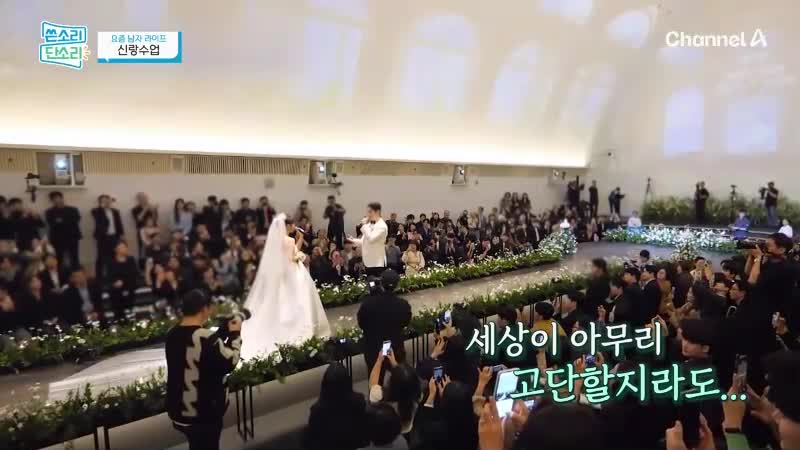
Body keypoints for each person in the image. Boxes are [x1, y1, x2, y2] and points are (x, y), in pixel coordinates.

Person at [240, 214, 331, 360]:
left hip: (280, 275)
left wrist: (299, 241)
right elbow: (291, 257)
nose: (294, 227)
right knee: (300, 302)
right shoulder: (288, 240)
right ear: (287, 226)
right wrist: (300, 256)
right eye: (292, 224)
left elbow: (288, 253)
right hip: (292, 273)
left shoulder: (275, 241)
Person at [166, 290, 242, 450]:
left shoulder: (172, 334)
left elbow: (199, 349)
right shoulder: (206, 337)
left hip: (179, 411)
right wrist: (235, 335)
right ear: (203, 309)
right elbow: (230, 361)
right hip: (203, 414)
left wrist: (222, 332)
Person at [357, 269, 411, 374]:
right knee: (399, 377)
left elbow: (361, 323)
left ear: (381, 283)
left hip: (374, 349)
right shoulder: (403, 305)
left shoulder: (368, 304)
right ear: (397, 285)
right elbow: (405, 322)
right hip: (395, 347)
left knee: (376, 380)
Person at [304, 362, 368, 450]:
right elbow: (362, 431)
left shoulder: (317, 410)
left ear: (325, 384)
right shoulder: (359, 401)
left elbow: (313, 440)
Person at [348, 202, 388, 278]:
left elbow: (371, 239)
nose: (368, 215)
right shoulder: (370, 226)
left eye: (370, 212)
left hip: (377, 262)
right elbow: (363, 241)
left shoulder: (381, 226)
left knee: (377, 282)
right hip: (369, 261)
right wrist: (353, 240)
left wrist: (364, 225)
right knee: (370, 282)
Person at [45, 191, 82, 270]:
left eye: (58, 198)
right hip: (57, 238)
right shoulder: (49, 212)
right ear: (52, 200)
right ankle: (60, 276)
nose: (57, 200)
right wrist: (66, 220)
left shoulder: (73, 209)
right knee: (59, 259)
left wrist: (61, 220)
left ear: (62, 198)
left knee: (74, 258)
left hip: (72, 237)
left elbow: (76, 220)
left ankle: (76, 275)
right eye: (54, 199)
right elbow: (52, 223)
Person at [91, 194, 124, 279]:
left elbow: (119, 224)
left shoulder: (115, 211)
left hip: (114, 237)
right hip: (103, 237)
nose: (107, 202)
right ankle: (99, 278)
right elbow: (99, 220)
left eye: (107, 200)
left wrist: (121, 235)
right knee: (101, 257)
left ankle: (113, 276)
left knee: (115, 256)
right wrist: (102, 208)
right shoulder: (96, 211)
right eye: (104, 201)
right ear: (100, 202)